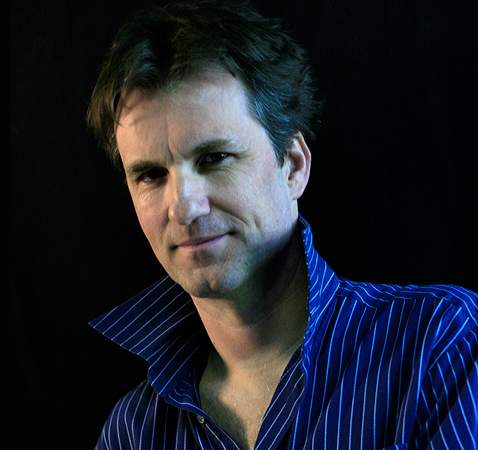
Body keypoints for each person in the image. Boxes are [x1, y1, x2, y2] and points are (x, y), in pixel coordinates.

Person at [87, 1, 478, 449]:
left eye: (214, 158)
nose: (184, 208)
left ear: (293, 166)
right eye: (151, 175)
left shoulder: (440, 345)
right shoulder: (132, 433)